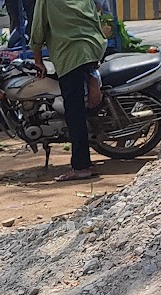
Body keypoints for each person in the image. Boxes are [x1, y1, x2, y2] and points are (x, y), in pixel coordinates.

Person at [30, 0, 105, 181]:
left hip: (71, 54)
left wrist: (38, 59)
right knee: (79, 104)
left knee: (74, 111)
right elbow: (96, 14)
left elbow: (38, 29)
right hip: (93, 47)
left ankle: (81, 167)